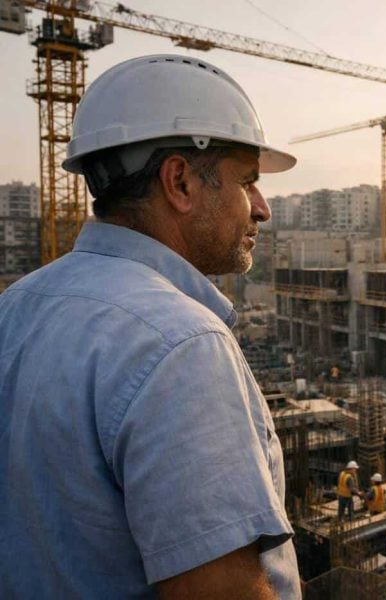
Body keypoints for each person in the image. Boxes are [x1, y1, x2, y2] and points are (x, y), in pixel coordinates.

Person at [0, 55, 300, 598]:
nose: (262, 209)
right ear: (180, 181)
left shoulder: (15, 306)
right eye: (247, 183)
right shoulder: (181, 344)